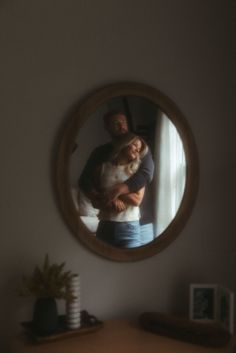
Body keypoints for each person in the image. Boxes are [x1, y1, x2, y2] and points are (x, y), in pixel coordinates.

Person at [79, 111, 155, 244]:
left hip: (136, 223)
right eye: (116, 124)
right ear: (107, 127)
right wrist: (107, 199)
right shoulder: (100, 155)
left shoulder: (142, 153)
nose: (122, 127)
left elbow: (145, 175)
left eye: (124, 123)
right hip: (106, 223)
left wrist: (117, 190)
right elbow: (85, 182)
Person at [94, 133, 148, 247]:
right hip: (105, 225)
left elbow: (137, 200)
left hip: (130, 228)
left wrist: (114, 192)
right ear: (125, 144)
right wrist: (112, 200)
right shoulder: (102, 168)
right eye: (135, 146)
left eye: (139, 149)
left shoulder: (138, 172)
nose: (137, 151)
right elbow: (95, 200)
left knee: (131, 264)